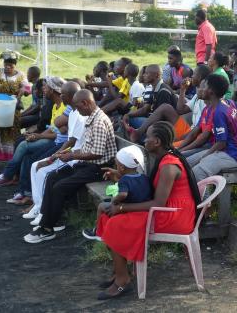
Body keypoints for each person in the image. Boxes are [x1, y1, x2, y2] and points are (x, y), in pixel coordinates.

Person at [92, 122, 200, 300]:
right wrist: (121, 178)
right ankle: (120, 271)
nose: (144, 140)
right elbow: (147, 190)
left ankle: (122, 280)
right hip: (163, 210)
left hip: (173, 216)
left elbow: (158, 201)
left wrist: (122, 207)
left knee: (116, 223)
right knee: (107, 216)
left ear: (156, 141)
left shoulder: (169, 166)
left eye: (148, 137)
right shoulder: (162, 159)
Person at [24, 89, 117, 244]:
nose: (77, 110)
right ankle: (50, 222)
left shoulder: (99, 121)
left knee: (60, 186)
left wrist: (73, 155)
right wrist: (67, 154)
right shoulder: (92, 117)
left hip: (98, 169)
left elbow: (97, 154)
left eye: (77, 107)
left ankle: (47, 228)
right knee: (52, 177)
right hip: (87, 164)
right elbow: (87, 149)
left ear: (85, 103)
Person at [0, 76, 66, 187]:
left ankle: (7, 176)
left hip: (57, 142)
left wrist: (39, 136)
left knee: (24, 145)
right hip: (50, 137)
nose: (43, 89)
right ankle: (19, 185)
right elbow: (52, 128)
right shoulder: (55, 106)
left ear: (52, 90)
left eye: (45, 87)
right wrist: (36, 135)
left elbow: (60, 133)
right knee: (24, 145)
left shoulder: (64, 108)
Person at [26, 82, 86, 223]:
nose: (61, 96)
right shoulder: (72, 112)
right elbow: (63, 133)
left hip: (74, 156)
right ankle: (39, 206)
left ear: (71, 96)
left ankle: (44, 213)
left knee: (43, 171)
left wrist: (54, 156)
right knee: (35, 166)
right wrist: (55, 155)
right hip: (68, 152)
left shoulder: (79, 115)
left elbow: (71, 142)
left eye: (63, 94)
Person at [187, 74, 237, 181]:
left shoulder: (218, 112)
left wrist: (205, 155)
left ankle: (205, 198)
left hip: (232, 155)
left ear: (211, 91)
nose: (201, 90)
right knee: (186, 162)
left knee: (197, 173)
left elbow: (221, 143)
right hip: (224, 151)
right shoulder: (229, 103)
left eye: (204, 87)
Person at [82, 145, 151, 241]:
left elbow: (123, 194)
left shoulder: (124, 180)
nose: (116, 167)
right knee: (107, 202)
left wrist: (114, 200)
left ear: (122, 167)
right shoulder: (144, 177)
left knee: (101, 206)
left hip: (128, 209)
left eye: (116, 165)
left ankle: (98, 231)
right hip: (142, 209)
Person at [0, 51, 31, 168]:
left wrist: (22, 92)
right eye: (6, 64)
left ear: (15, 65)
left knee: (12, 133)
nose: (7, 67)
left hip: (12, 109)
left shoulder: (21, 76)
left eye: (10, 65)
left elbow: (26, 89)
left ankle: (12, 160)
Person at [123, 65, 188, 144]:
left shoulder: (163, 91)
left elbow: (162, 119)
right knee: (127, 118)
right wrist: (128, 115)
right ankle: (136, 138)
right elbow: (145, 109)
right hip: (153, 121)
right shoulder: (155, 88)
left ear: (156, 75)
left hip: (166, 127)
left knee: (136, 123)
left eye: (147, 73)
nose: (144, 75)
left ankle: (139, 139)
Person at [176, 64, 211, 131]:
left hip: (196, 134)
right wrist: (183, 90)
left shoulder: (206, 99)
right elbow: (181, 110)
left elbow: (202, 129)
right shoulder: (197, 96)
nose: (191, 76)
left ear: (199, 77)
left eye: (194, 74)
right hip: (192, 131)